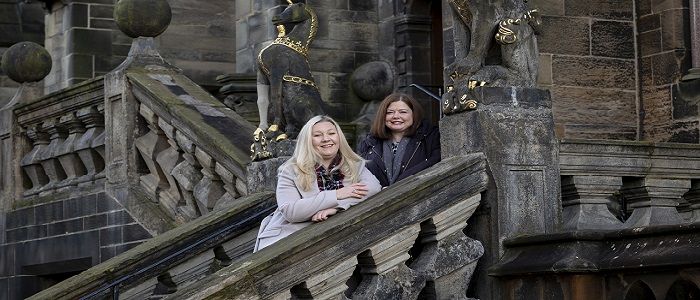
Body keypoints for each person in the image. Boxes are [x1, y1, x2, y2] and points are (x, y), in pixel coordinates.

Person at [254, 115, 381, 251]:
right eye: (318, 135)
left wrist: (336, 208)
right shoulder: (290, 170)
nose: (326, 139)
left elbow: (373, 188)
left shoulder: (354, 165)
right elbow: (291, 211)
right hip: (291, 236)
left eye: (331, 133)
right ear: (308, 140)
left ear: (339, 137)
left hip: (336, 235)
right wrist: (336, 195)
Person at [357, 93, 441, 187]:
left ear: (414, 114)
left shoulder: (431, 138)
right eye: (390, 112)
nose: (396, 116)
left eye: (403, 112)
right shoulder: (369, 143)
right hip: (377, 200)